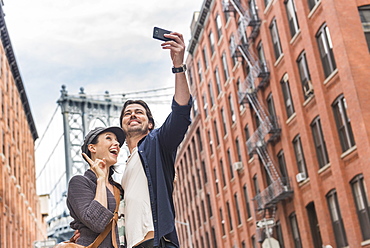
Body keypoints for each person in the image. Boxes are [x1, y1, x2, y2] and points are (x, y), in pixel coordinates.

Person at [119, 31, 192, 248]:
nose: (132, 114)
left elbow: (180, 113)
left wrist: (178, 66)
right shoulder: (121, 170)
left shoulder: (157, 144)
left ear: (150, 124)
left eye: (139, 112)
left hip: (156, 242)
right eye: (127, 113)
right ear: (122, 127)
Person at [66, 126, 125, 247]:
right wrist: (101, 179)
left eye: (117, 141)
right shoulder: (79, 183)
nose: (117, 143)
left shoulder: (119, 189)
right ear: (92, 148)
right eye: (109, 138)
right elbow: (96, 222)